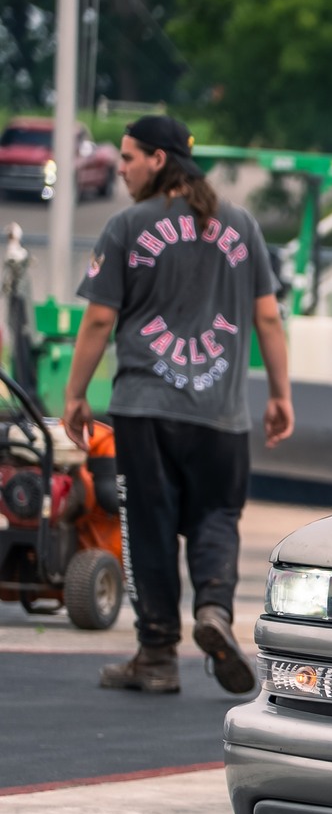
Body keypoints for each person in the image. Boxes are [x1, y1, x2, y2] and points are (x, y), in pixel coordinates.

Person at [60, 114, 293, 695]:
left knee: (151, 525)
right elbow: (268, 315)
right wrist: (282, 394)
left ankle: (158, 655)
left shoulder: (128, 226)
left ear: (159, 159)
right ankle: (214, 609)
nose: (121, 168)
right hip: (222, 413)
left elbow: (98, 317)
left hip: (147, 407)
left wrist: (75, 393)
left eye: (129, 157)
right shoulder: (240, 224)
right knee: (218, 517)